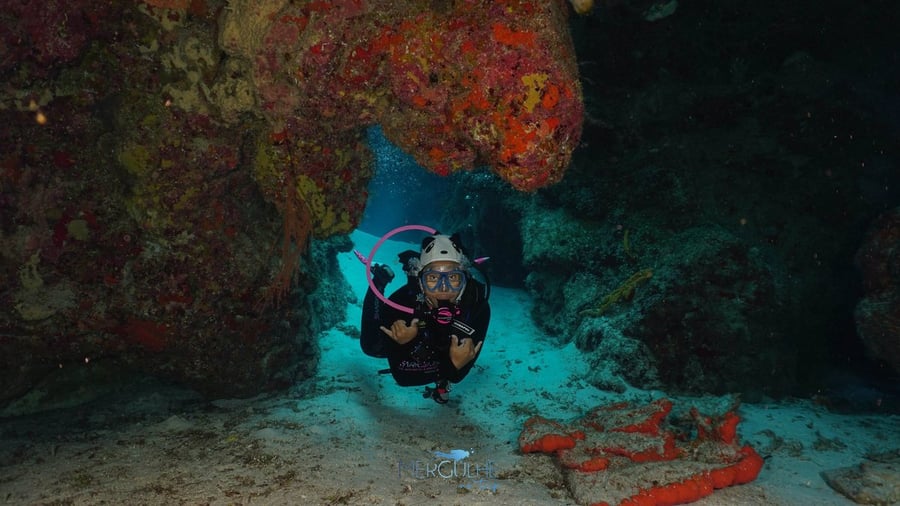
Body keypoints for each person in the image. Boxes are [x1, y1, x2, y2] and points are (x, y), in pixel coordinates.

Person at [360, 233, 491, 404]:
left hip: (437, 351)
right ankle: (380, 278)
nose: (443, 288)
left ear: (465, 279)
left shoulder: (477, 308)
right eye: (433, 278)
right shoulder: (403, 301)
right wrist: (402, 344)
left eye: (453, 278)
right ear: (420, 281)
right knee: (371, 346)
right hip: (417, 348)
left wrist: (454, 366)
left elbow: (458, 377)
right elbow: (403, 379)